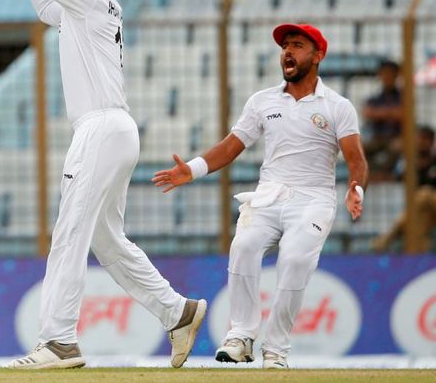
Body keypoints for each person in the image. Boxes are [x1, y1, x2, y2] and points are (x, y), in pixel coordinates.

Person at [0, 0, 206, 370]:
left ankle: (59, 341)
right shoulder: (88, 4)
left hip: (101, 130)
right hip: (114, 129)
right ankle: (178, 312)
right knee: (106, 240)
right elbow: (46, 8)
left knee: (69, 232)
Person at [154, 23, 367, 369]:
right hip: (268, 195)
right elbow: (231, 147)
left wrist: (356, 189)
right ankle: (241, 335)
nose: (288, 52)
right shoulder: (263, 101)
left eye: (297, 45)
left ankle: (276, 349)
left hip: (313, 199)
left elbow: (356, 160)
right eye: (285, 46)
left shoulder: (337, 106)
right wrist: (191, 170)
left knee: (295, 260)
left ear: (318, 55)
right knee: (243, 246)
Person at [373, 125, 436, 253]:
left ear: (431, 141)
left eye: (425, 139)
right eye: (419, 138)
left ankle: (389, 236)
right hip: (422, 212)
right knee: (421, 217)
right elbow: (393, 181)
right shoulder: (406, 162)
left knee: (425, 194)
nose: (421, 142)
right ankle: (421, 255)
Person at [362, 59, 402, 180]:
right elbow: (367, 113)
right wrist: (392, 113)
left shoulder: (404, 95)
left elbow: (404, 114)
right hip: (378, 138)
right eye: (384, 73)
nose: (386, 77)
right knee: (360, 147)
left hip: (397, 138)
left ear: (396, 75)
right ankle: (374, 175)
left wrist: (379, 113)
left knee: (397, 147)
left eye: (390, 73)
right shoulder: (375, 97)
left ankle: (386, 175)